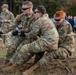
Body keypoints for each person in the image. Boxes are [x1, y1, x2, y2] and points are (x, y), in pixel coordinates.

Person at [2, 5, 59, 75]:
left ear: (40, 13)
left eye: (35, 12)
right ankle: (33, 67)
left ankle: (14, 66)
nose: (34, 14)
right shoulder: (46, 19)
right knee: (39, 52)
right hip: (53, 43)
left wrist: (24, 34)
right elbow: (31, 29)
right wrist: (20, 31)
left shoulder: (39, 21)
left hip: (47, 42)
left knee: (24, 48)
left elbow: (33, 33)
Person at [0, 1, 35, 69]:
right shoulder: (21, 16)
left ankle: (11, 65)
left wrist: (21, 31)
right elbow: (13, 25)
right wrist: (2, 31)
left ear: (30, 8)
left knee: (19, 50)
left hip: (30, 37)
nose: (22, 10)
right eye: (22, 8)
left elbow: (33, 31)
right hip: (21, 35)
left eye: (24, 9)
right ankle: (6, 62)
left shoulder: (35, 17)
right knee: (12, 47)